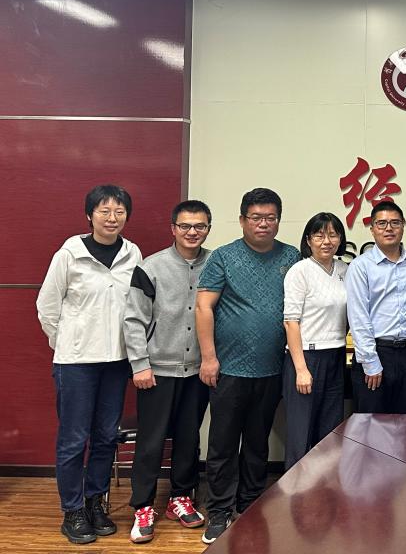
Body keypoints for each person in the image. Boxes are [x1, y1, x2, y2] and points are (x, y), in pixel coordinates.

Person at [36, 184, 142, 545]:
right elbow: (47, 306)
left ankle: (96, 502)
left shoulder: (132, 253)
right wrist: (67, 341)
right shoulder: (70, 253)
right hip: (76, 363)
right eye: (104, 211)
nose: (112, 218)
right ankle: (73, 510)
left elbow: (137, 305)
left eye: (119, 212)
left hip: (116, 362)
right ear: (89, 215)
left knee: (105, 437)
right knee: (73, 438)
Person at [196, 187, 299, 544]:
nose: (263, 224)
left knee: (258, 442)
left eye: (270, 217)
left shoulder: (291, 256)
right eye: (256, 217)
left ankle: (251, 502)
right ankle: (219, 509)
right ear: (242, 220)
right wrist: (209, 358)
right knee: (223, 443)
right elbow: (204, 307)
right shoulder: (223, 257)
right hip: (228, 370)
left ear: (278, 221)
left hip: (272, 369)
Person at [123, 200, 213, 544]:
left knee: (189, 438)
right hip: (157, 370)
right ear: (173, 228)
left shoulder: (216, 264)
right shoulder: (151, 267)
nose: (192, 232)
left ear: (208, 228)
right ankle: (143, 506)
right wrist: (140, 365)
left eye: (200, 226)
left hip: (198, 370)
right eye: (185, 226)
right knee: (151, 441)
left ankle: (180, 497)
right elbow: (134, 319)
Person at [282, 212, 348, 470]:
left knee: (330, 431)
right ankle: (296, 491)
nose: (326, 241)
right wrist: (301, 369)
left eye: (332, 234)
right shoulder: (300, 271)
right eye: (319, 235)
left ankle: (325, 488)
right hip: (306, 358)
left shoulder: (344, 270)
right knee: (302, 432)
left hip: (336, 355)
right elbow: (291, 321)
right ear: (308, 240)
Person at [346, 200, 406, 414]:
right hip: (377, 352)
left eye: (395, 223)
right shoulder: (361, 266)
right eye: (382, 223)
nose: (389, 228)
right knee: (371, 424)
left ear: (403, 226)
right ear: (372, 229)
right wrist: (370, 361)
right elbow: (358, 317)